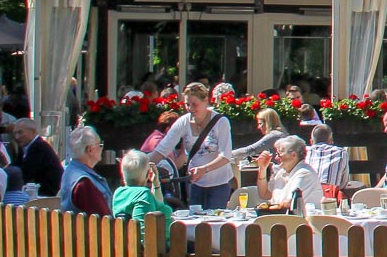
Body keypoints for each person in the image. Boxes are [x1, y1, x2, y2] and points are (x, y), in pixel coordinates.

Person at [145, 82, 236, 211]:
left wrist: (204, 169)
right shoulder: (183, 122)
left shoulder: (221, 122)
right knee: (196, 222)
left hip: (219, 184)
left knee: (215, 224)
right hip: (195, 184)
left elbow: (225, 156)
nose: (190, 108)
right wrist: (142, 168)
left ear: (206, 101)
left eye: (194, 104)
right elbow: (163, 149)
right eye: (187, 104)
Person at [255, 135, 323, 211]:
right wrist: (262, 169)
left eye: (279, 154)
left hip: (300, 220)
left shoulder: (305, 173)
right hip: (283, 218)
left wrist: (264, 209)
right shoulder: (282, 172)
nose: (276, 158)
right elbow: (264, 194)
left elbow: (289, 204)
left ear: (293, 155)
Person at [60, 127, 113, 216]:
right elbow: (103, 218)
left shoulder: (70, 171)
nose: (102, 148)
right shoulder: (84, 182)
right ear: (90, 149)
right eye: (100, 145)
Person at [112, 149, 172, 220]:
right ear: (147, 174)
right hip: (153, 231)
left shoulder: (118, 192)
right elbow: (143, 226)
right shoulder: (143, 194)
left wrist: (155, 183)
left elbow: (158, 204)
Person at [8, 120, 63, 195]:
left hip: (49, 195)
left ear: (33, 132)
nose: (17, 137)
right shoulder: (26, 147)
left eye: (20, 132)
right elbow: (15, 167)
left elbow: (25, 173)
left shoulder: (39, 147)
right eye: (14, 133)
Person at [303, 122, 349, 187]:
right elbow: (344, 183)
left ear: (311, 141)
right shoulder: (341, 152)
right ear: (331, 141)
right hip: (330, 195)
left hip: (307, 195)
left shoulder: (304, 152)